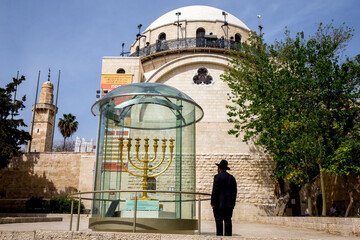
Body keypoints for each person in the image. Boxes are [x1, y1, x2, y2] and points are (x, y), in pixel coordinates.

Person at [211, 159, 237, 236]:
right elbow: (234, 192)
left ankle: (219, 237)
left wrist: (212, 202)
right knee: (228, 221)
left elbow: (215, 191)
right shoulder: (232, 178)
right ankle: (228, 237)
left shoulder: (217, 177)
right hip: (229, 205)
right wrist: (233, 203)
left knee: (219, 221)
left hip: (218, 204)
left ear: (219, 168)